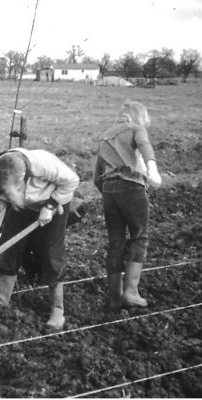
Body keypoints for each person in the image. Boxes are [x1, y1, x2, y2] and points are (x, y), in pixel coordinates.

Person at [0, 148, 80, 330]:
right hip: (21, 207)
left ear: (23, 177)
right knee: (7, 249)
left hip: (51, 206)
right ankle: (0, 301)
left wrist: (51, 205)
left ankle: (57, 310)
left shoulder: (42, 163)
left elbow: (72, 180)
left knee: (51, 253)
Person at [93, 100, 162, 309]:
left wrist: (109, 192)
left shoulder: (105, 136)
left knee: (116, 242)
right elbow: (145, 147)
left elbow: (97, 177)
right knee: (139, 237)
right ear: (138, 116)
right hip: (131, 186)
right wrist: (152, 169)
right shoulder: (136, 129)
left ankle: (114, 296)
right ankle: (131, 292)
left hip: (108, 191)